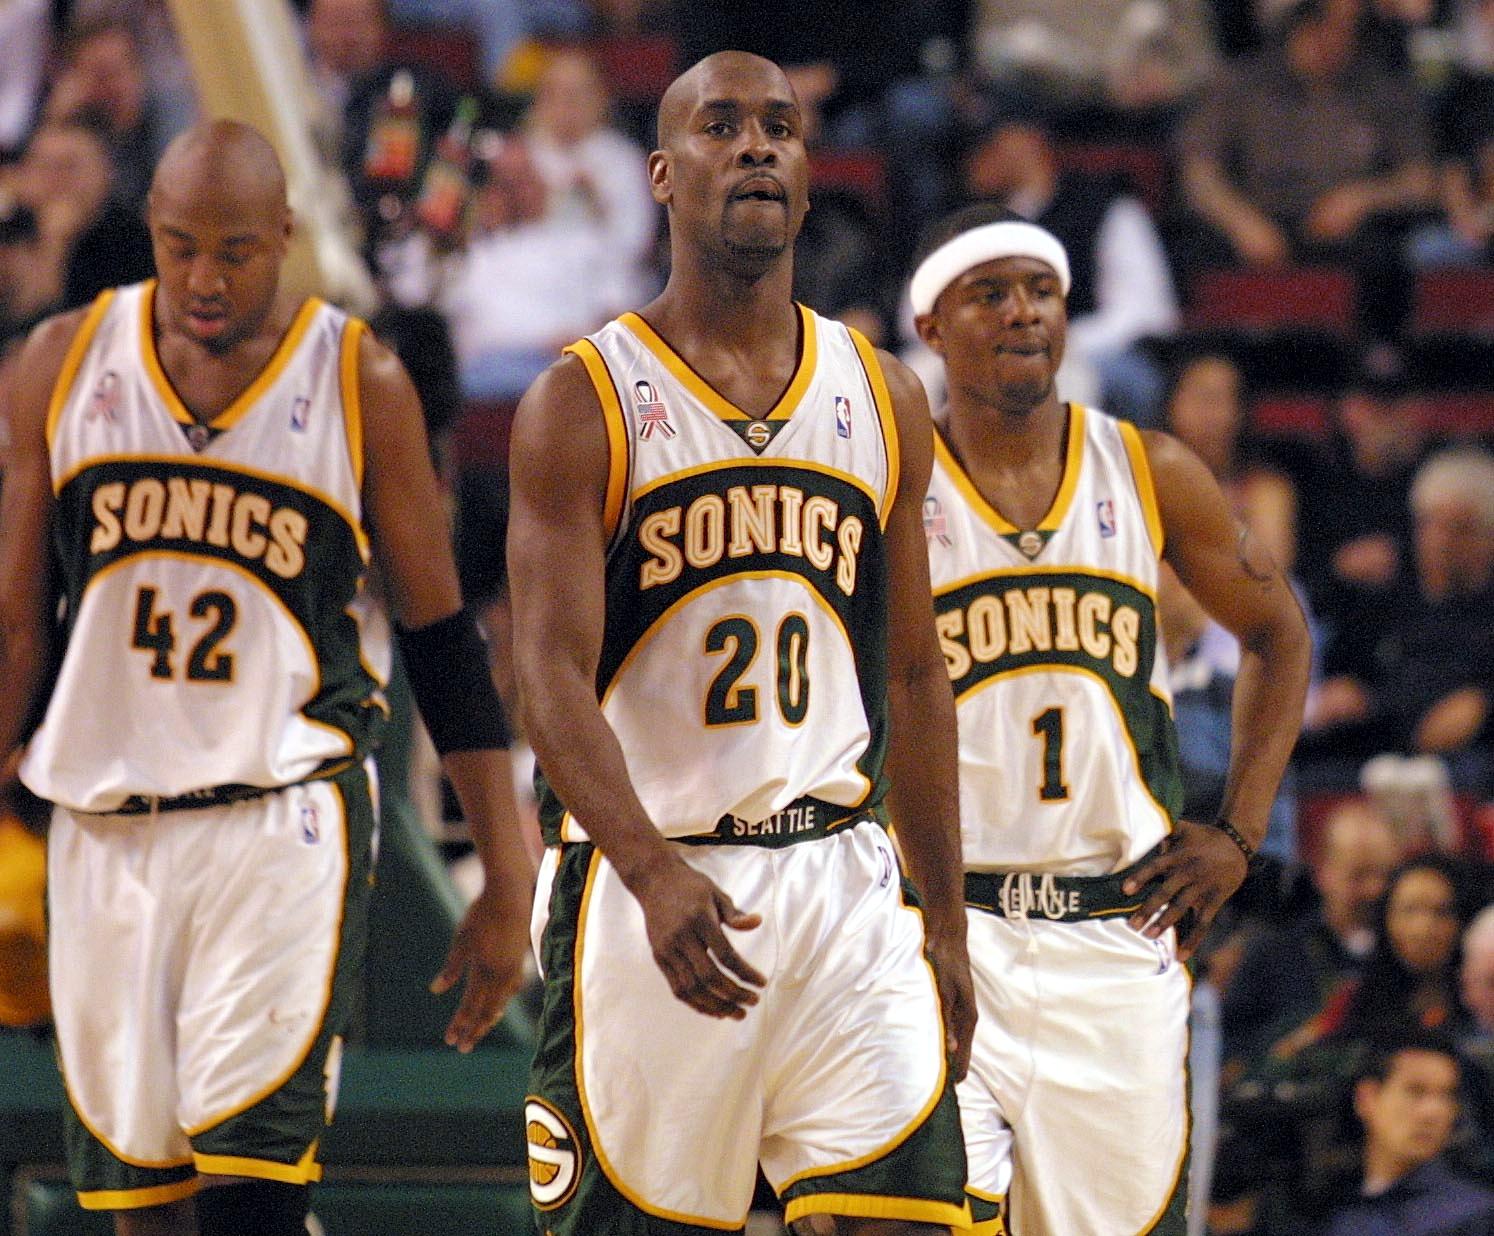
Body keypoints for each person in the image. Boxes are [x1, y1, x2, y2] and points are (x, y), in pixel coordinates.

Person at [0, 119, 532, 1236]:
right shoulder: (58, 363)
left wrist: (507, 872)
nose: (204, 278)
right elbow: (15, 627)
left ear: (284, 238)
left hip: (281, 815)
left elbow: (440, 635)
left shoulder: (357, 380)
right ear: (149, 230)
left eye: (235, 251)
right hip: (105, 826)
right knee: (142, 1204)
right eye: (181, 246)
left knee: (252, 1189)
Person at [507, 51, 975, 1234]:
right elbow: (546, 678)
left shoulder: (882, 395)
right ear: (663, 176)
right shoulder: (586, 398)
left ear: (810, 182)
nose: (757, 145)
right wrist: (652, 872)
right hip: (652, 879)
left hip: (842, 881)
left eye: (780, 127)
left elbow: (916, 675)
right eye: (722, 126)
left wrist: (950, 919)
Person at [909, 203, 1312, 1234]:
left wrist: (1237, 832)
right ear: (931, 327)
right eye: (988, 293)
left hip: (1111, 932)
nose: (1021, 313)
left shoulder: (1146, 469)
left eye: (1040, 290)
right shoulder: (893, 489)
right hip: (945, 938)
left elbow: (1280, 635)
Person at [1324, 1029, 1494, 1236]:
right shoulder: (1331, 1212)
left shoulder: (1473, 1214)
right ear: (1366, 1098)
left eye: (1447, 1095)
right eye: (1415, 1091)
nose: (1432, 1112)